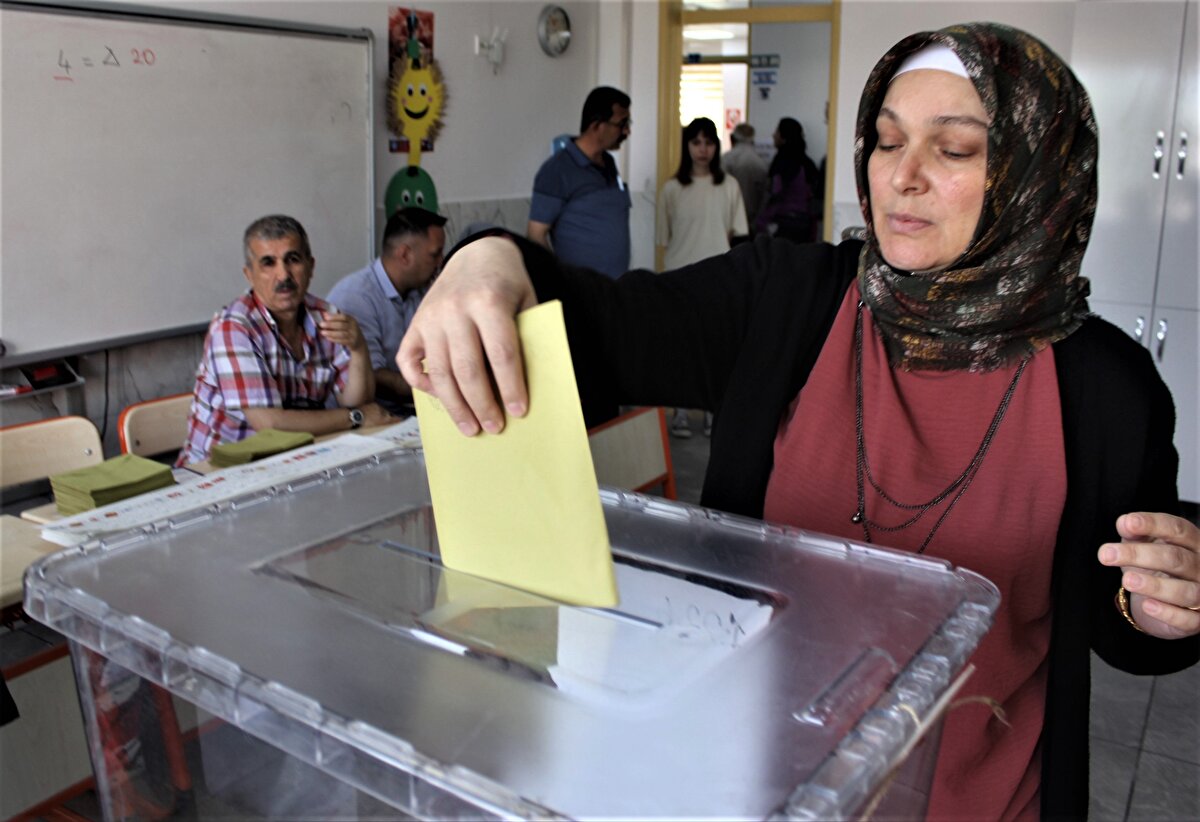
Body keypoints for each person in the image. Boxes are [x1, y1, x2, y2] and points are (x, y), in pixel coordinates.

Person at [399, 23, 1200, 820]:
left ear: (1037, 175)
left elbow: (1123, 620)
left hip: (983, 803)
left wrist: (1169, 598)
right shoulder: (785, 301)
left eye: (953, 150)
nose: (902, 178)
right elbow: (600, 325)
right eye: (886, 143)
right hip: (762, 788)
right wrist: (488, 258)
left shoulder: (1105, 388)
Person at [179, 215, 392, 464]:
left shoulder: (326, 316)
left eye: (293, 259)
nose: (283, 275)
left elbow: (356, 400)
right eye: (268, 263)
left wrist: (359, 349)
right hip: (221, 470)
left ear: (311, 266)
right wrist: (356, 418)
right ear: (249, 274)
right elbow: (270, 425)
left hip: (296, 458)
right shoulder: (233, 327)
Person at [656, 117, 747, 438]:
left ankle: (711, 411)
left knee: (716, 347)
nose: (703, 149)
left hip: (718, 277)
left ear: (716, 147)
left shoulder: (729, 186)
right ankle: (680, 413)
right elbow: (664, 237)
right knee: (680, 347)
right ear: (687, 146)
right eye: (696, 142)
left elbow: (737, 235)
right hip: (679, 276)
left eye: (709, 142)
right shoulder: (671, 188)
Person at [327, 207, 446, 414]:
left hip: (411, 408)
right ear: (405, 255)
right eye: (434, 255)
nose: (440, 263)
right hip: (372, 417)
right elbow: (373, 375)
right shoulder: (356, 296)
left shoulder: (419, 289)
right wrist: (434, 387)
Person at [527, 86, 632, 279]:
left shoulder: (608, 163)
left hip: (615, 288)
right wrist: (560, 279)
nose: (627, 131)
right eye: (622, 123)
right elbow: (536, 235)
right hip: (582, 292)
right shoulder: (556, 170)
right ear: (597, 125)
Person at [756, 117, 821, 243]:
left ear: (783, 137)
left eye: (777, 132)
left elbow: (775, 194)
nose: (773, 135)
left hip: (782, 225)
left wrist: (760, 222)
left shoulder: (781, 162)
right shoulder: (808, 163)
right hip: (806, 226)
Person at [722, 122, 769, 235]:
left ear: (732, 138)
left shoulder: (726, 160)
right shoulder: (761, 163)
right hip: (752, 222)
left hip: (728, 221)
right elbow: (764, 196)